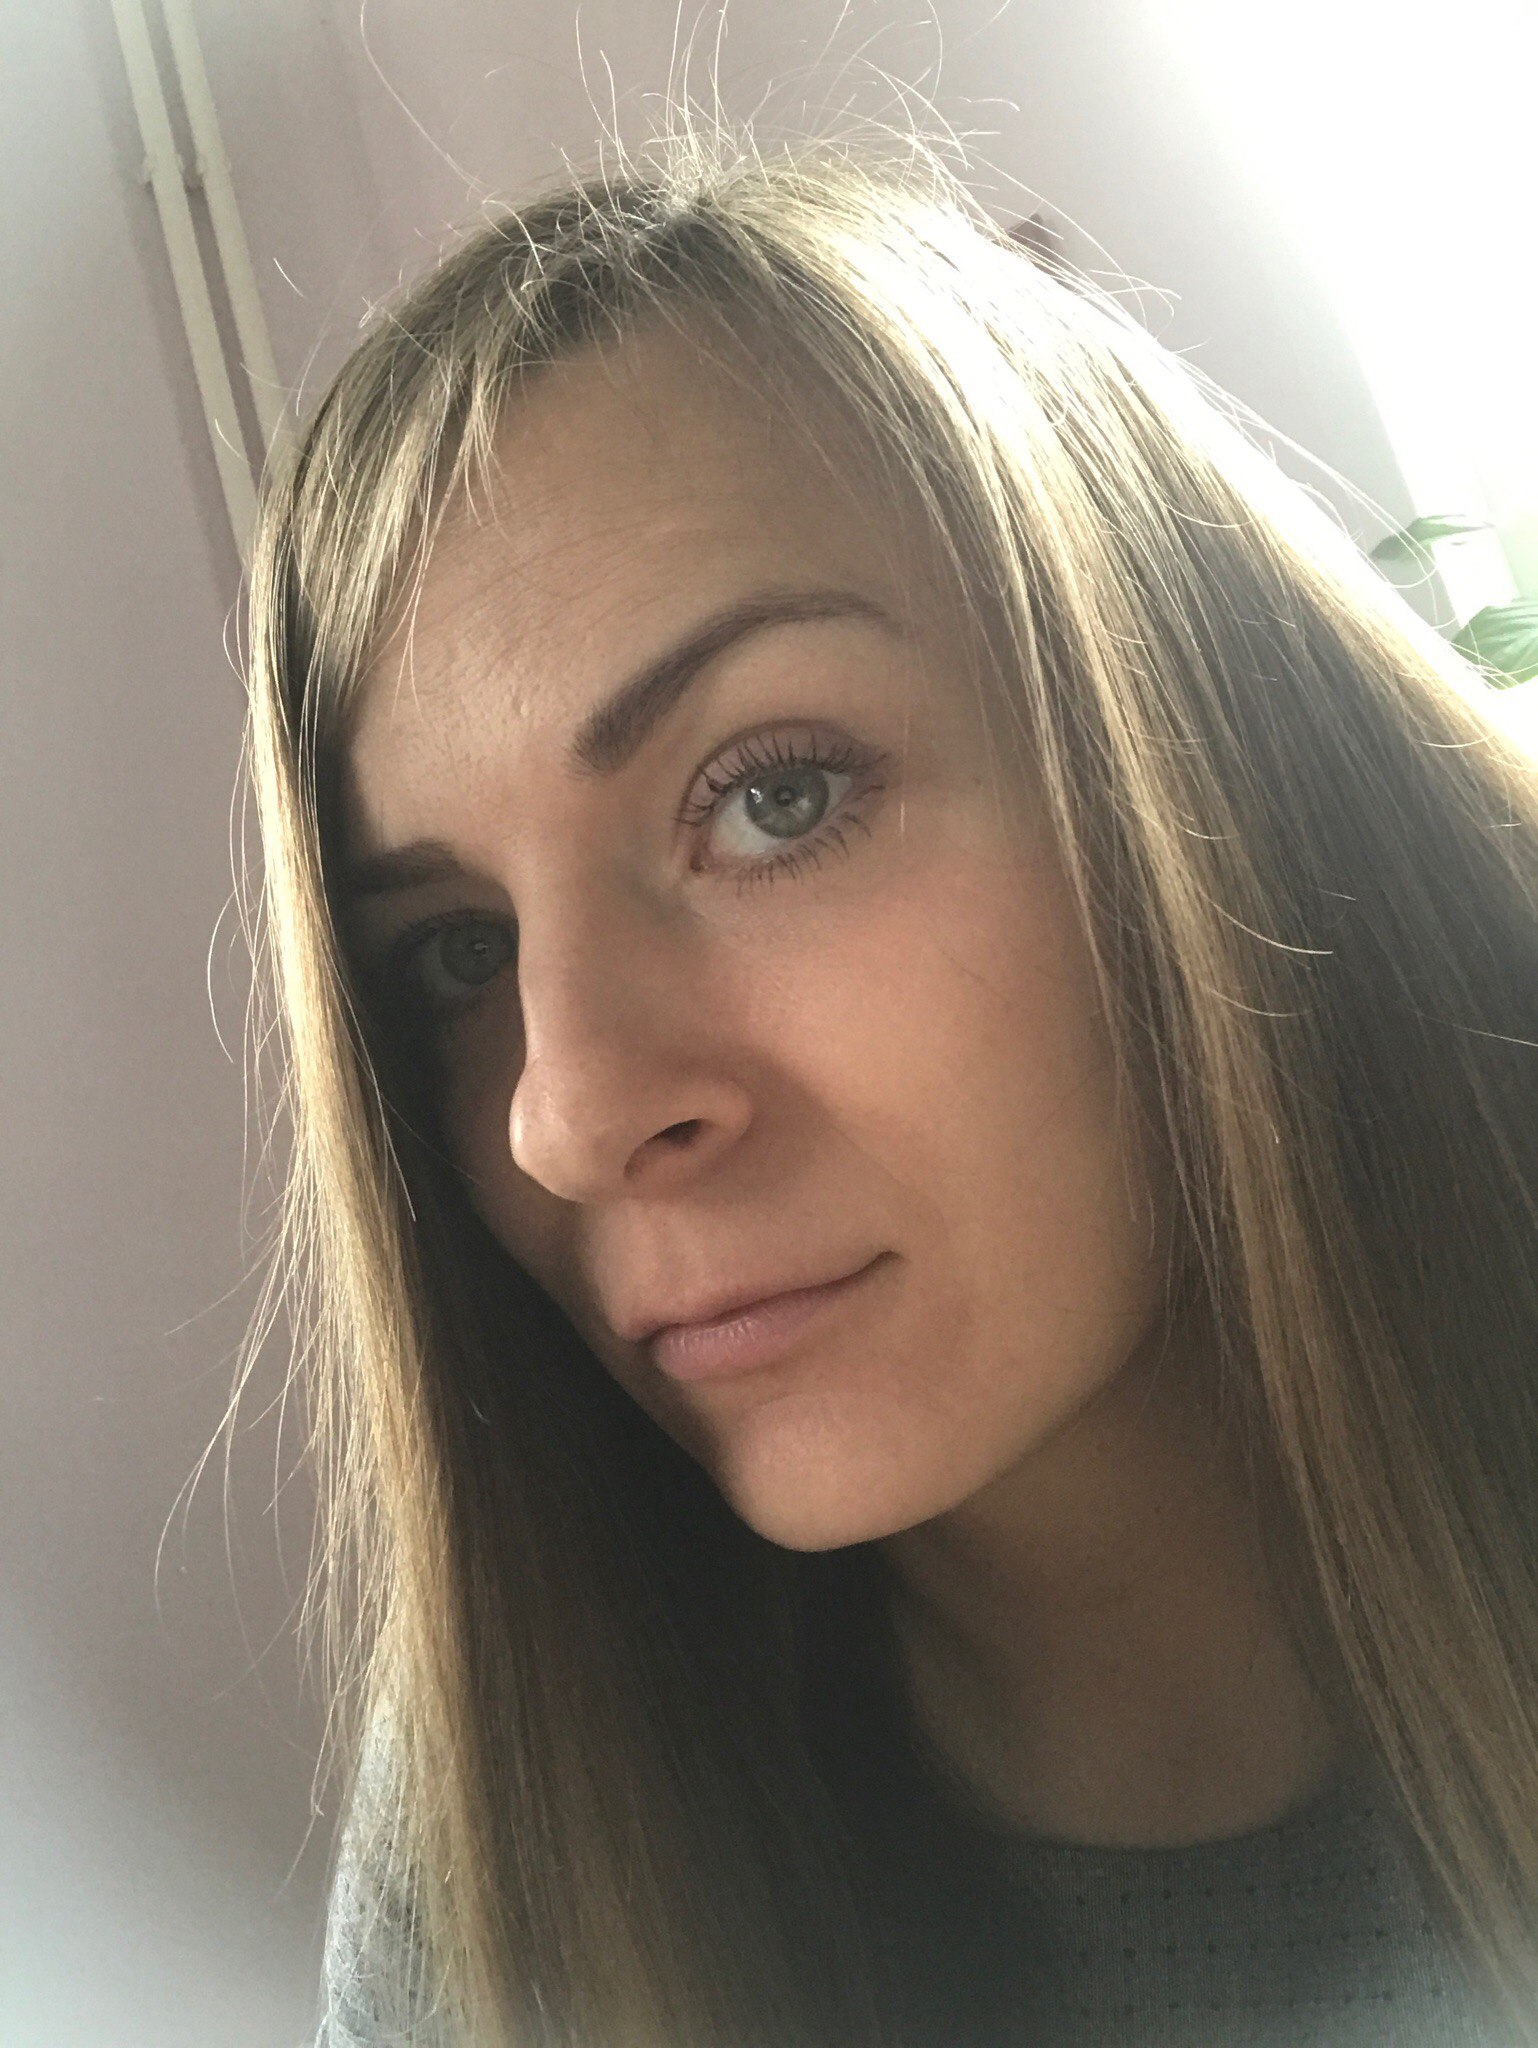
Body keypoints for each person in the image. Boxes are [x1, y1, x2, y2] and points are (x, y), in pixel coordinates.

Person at [239, 116, 1538, 2047]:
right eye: (456, 956)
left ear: (1203, 753)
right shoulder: (508, 1856)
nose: (566, 1115)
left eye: (773, 797)